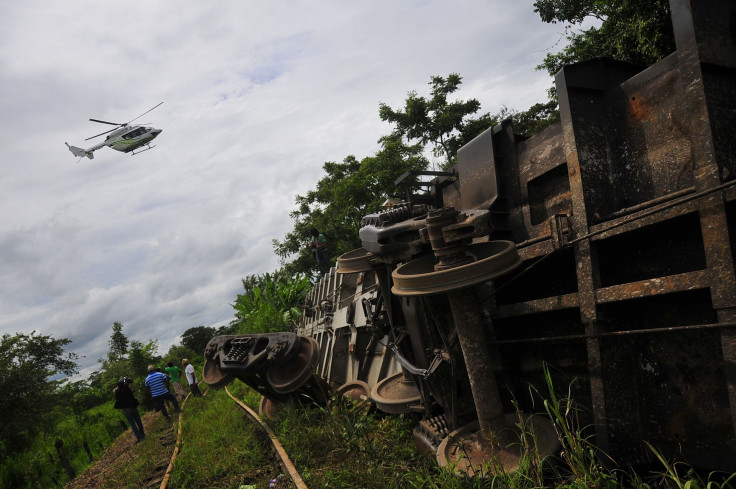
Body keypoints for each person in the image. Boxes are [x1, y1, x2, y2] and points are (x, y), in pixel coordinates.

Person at [113, 377, 145, 443]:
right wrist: (131, 383)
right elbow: (133, 390)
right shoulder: (128, 389)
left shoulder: (117, 392)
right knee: (139, 422)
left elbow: (114, 391)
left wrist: (119, 385)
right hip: (133, 407)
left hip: (126, 409)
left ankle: (139, 438)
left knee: (132, 424)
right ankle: (142, 435)